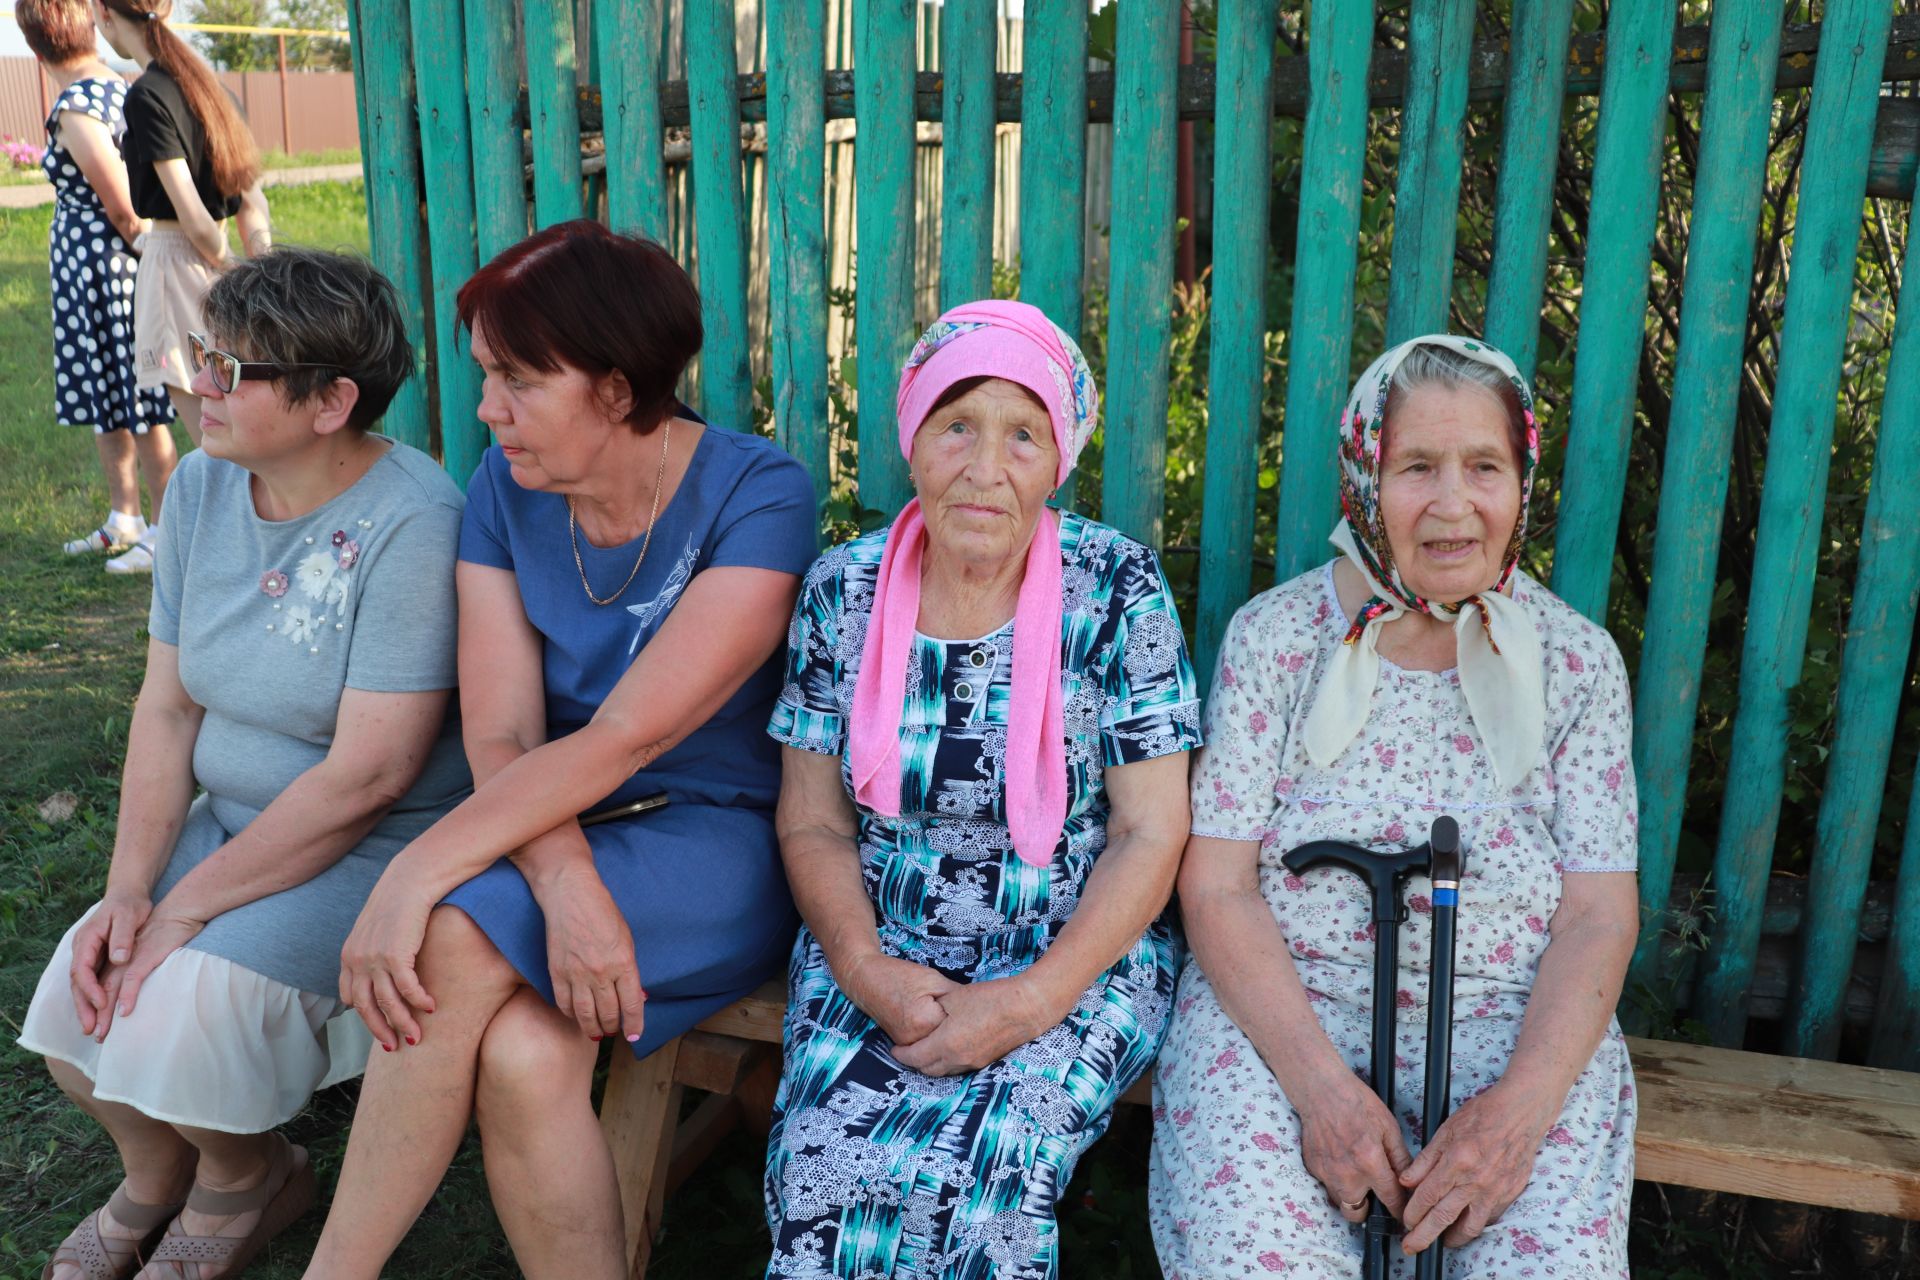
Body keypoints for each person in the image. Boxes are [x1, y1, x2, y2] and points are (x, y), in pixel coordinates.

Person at [300, 219, 816, 1280]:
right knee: (526, 1053)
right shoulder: (503, 487)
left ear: (619, 392)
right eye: (488, 374)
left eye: (519, 380)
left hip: (718, 834)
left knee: (444, 938)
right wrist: (569, 884)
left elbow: (636, 732)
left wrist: (414, 871)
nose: (488, 408)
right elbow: (501, 731)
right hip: (552, 815)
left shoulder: (761, 496)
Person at [19, 247, 469, 1280]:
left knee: (181, 1002)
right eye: (202, 354)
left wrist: (186, 910)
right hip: (232, 816)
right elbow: (168, 708)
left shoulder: (413, 520)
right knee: (75, 992)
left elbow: (368, 778)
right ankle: (154, 1174)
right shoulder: (204, 491)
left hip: (374, 846)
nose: (197, 382)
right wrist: (132, 889)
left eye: (231, 367)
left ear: (329, 401)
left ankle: (244, 1177)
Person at [1150, 336, 1640, 1277]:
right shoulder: (1278, 642)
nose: (1454, 503)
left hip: (1515, 1037)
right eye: (1417, 466)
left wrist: (1518, 1114)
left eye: (1484, 467)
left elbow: (1598, 915)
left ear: (1522, 479)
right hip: (1285, 1030)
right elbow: (1214, 887)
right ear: (1365, 480)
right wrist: (1323, 1094)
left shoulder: (1577, 664)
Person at [762, 300, 1202, 1278]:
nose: (985, 464)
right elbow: (812, 818)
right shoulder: (844, 588)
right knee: (824, 1167)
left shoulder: (1116, 586)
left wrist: (1034, 998)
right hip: (881, 949)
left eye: (1021, 433)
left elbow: (1150, 830)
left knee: (994, 1165)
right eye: (958, 424)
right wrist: (865, 965)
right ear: (913, 437)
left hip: (1076, 955)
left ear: (1057, 460)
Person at [89, 0, 272, 573]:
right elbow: (252, 199)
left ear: (104, 12)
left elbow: (191, 216)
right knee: (239, 428)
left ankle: (234, 564)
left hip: (178, 262)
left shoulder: (147, 94)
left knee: (215, 439)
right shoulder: (211, 87)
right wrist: (261, 273)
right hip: (220, 262)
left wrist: (232, 270)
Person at [18, 0, 178, 566]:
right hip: (94, 279)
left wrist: (160, 270)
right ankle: (124, 518)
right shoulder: (114, 85)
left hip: (109, 278)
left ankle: (166, 533)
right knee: (107, 400)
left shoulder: (78, 107)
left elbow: (123, 209)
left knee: (143, 404)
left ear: (35, 46)